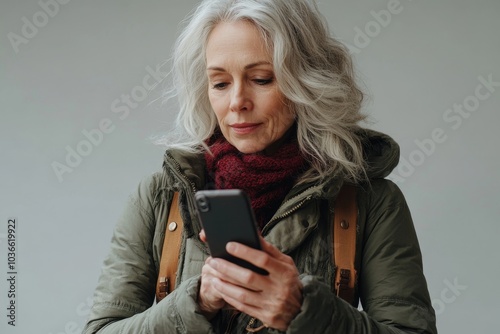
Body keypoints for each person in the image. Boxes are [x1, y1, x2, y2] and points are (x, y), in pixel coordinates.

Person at [83, 0, 437, 333]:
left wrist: (303, 310)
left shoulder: (372, 201)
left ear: (305, 81)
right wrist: (197, 300)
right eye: (220, 83)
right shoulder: (159, 198)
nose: (237, 102)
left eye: (261, 79)